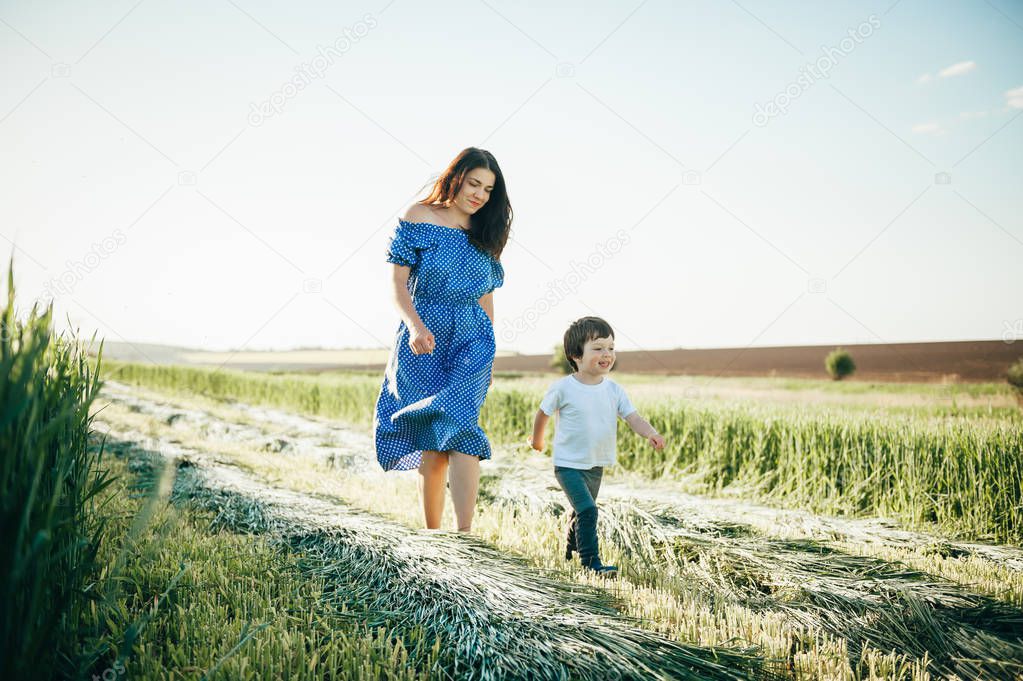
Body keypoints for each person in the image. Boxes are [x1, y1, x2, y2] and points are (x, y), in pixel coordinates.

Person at [373, 147, 512, 533]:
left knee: (463, 426)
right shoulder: (418, 217)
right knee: (434, 438)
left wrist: (490, 360)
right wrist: (416, 326)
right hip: (424, 335)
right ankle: (433, 536)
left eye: (488, 189)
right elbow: (397, 285)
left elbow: (486, 297)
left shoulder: (485, 232)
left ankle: (465, 535)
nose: (480, 195)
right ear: (456, 177)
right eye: (474, 183)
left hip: (472, 337)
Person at [528, 316, 665, 577]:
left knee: (582, 511)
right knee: (589, 510)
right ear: (575, 355)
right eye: (598, 348)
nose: (607, 354)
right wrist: (538, 440)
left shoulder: (614, 390)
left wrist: (651, 433)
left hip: (596, 464)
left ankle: (571, 545)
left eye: (611, 348)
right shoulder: (563, 388)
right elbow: (542, 414)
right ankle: (591, 563)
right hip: (568, 465)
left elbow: (632, 417)